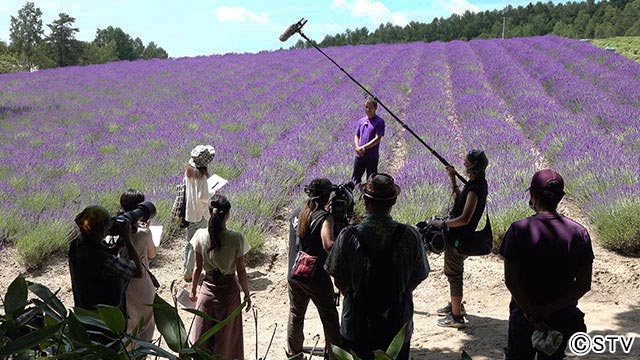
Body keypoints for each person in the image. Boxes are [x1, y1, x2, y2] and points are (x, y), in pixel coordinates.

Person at [326, 173, 429, 360]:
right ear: (394, 201)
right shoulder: (410, 235)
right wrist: (399, 290)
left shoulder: (347, 236)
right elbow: (419, 275)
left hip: (357, 326)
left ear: (365, 200)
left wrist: (356, 295)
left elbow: (337, 277)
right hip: (397, 326)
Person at [500, 169, 594, 359]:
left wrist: (532, 314)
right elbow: (584, 284)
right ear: (560, 197)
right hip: (561, 318)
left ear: (533, 195)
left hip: (523, 317)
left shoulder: (519, 230)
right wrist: (547, 311)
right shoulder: (579, 233)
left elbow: (511, 280)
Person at [427, 149, 489, 328]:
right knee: (454, 272)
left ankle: (456, 316)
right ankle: (456, 304)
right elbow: (458, 200)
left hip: (459, 239)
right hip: (459, 237)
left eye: (467, 164)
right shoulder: (476, 183)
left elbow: (464, 219)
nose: (464, 165)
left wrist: (442, 223)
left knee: (454, 275)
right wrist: (453, 179)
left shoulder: (475, 190)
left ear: (473, 167)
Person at [68, 205, 143, 343]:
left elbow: (105, 256)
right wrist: (128, 239)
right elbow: (138, 271)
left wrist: (120, 242)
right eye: (108, 227)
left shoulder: (77, 245)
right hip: (105, 325)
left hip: (86, 315)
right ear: (102, 230)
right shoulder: (99, 258)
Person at [189, 194, 251, 359]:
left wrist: (193, 289)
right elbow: (241, 271)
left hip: (207, 290)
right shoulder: (236, 238)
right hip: (228, 293)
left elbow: (198, 268)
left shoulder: (200, 235)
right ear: (228, 214)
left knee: (202, 336)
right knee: (228, 339)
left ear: (210, 213)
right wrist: (246, 293)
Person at [287, 178, 341, 360]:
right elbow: (328, 245)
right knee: (329, 317)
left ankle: (294, 355)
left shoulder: (296, 213)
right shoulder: (324, 217)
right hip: (315, 275)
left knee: (296, 314)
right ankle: (335, 355)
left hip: (294, 273)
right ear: (327, 197)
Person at [120, 189, 157, 342]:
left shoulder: (112, 232)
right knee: (145, 324)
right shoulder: (144, 234)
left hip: (122, 283)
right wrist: (146, 229)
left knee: (127, 325)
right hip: (141, 284)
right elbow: (152, 254)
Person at [183, 144, 216, 282]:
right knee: (201, 242)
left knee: (189, 242)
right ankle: (202, 270)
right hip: (200, 214)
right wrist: (214, 191)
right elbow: (203, 196)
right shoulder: (202, 177)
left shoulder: (188, 171)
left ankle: (187, 270)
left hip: (190, 213)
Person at [351, 97, 385, 184]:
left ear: (375, 109)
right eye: (366, 107)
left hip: (372, 157)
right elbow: (356, 135)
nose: (368, 110)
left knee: (371, 181)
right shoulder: (361, 121)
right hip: (360, 156)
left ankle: (368, 197)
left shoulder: (379, 122)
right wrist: (357, 147)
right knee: (355, 179)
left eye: (370, 108)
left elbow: (377, 139)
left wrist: (363, 148)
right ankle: (356, 196)